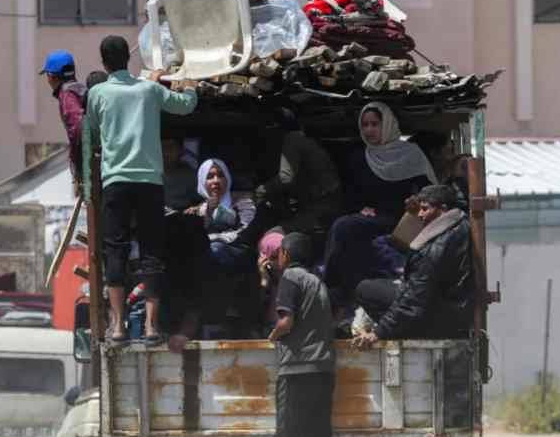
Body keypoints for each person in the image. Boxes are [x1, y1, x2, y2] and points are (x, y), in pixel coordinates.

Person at [83, 35, 198, 346]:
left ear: (104, 63)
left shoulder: (98, 93)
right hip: (149, 183)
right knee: (151, 252)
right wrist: (187, 81)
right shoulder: (149, 90)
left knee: (115, 251)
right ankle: (150, 327)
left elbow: (90, 134)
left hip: (116, 183)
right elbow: (187, 106)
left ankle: (118, 327)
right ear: (127, 59)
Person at [245, 233, 342, 437]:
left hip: (298, 370)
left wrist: (272, 336)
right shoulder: (316, 281)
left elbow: (286, 322)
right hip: (324, 370)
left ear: (284, 254)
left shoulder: (290, 279)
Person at [323, 102, 438, 308]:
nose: (369, 130)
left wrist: (416, 201)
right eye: (365, 125)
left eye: (374, 124)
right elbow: (349, 196)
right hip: (371, 219)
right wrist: (359, 208)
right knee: (345, 226)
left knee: (344, 226)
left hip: (403, 220)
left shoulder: (410, 153)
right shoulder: (358, 157)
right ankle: (336, 291)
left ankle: (330, 287)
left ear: (386, 125)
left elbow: (429, 191)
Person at [352, 184, 473, 348]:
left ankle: (408, 332)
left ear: (443, 209)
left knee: (365, 289)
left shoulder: (436, 248)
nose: (420, 214)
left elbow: (414, 299)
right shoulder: (460, 223)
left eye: (425, 209)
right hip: (452, 311)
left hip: (439, 318)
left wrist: (379, 332)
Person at [252, 108, 343, 237]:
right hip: (329, 206)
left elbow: (286, 177)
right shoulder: (308, 141)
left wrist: (262, 190)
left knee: (272, 235)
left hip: (320, 209)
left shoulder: (292, 140)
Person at [187, 159, 256, 271]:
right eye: (209, 176)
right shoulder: (198, 209)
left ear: (227, 179)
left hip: (237, 251)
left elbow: (246, 232)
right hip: (206, 255)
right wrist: (208, 212)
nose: (216, 180)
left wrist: (213, 238)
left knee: (215, 249)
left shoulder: (243, 202)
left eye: (220, 175)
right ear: (202, 182)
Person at [40, 50, 88, 192]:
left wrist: (80, 166)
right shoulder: (81, 90)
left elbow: (78, 128)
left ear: (51, 76)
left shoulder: (67, 94)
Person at [162, 137, 202, 212]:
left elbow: (202, 202)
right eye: (163, 147)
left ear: (181, 151)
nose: (166, 152)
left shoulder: (191, 175)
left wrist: (196, 208)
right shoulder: (150, 173)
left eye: (170, 147)